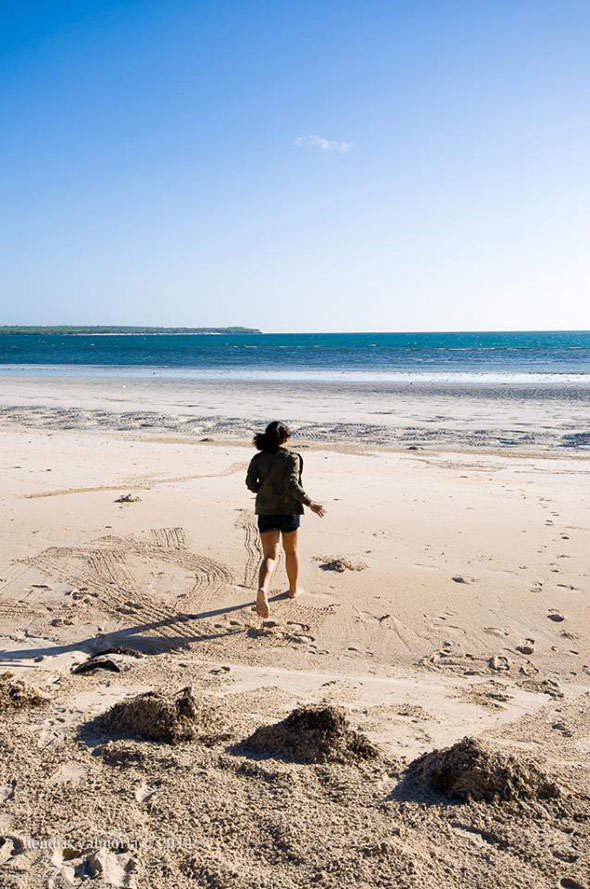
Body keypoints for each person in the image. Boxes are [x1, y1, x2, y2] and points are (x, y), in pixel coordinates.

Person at [245, 421, 326, 618]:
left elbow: (250, 482)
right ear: (286, 439)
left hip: (266, 510)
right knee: (291, 551)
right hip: (289, 510)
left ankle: (262, 589)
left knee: (270, 556)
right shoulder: (293, 458)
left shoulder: (258, 458)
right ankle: (293, 590)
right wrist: (310, 503)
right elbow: (292, 484)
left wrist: (261, 491)